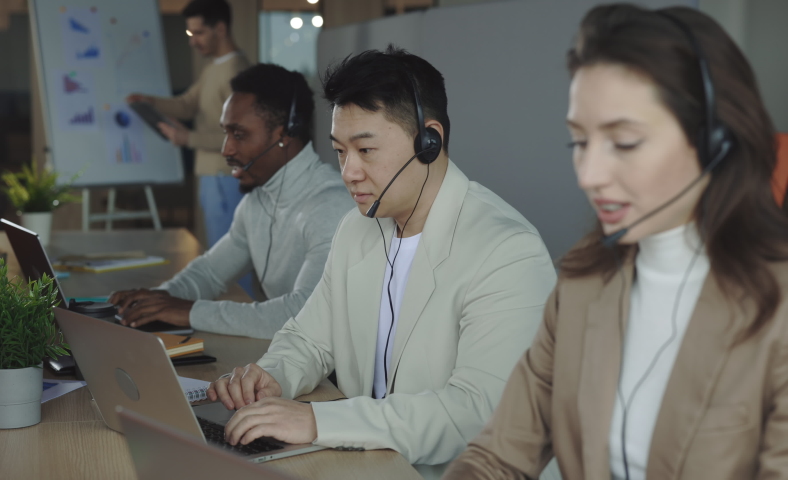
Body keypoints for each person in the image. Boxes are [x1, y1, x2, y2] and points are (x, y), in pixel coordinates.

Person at [443, 5, 788, 480]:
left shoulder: (776, 308)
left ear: (714, 142)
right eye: (579, 142)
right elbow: (496, 457)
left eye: (624, 142)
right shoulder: (583, 285)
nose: (589, 175)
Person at [204, 45, 557, 476]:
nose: (348, 172)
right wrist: (272, 376)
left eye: (365, 150)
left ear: (429, 141)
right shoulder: (358, 228)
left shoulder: (507, 251)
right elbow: (310, 339)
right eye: (339, 151)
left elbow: (475, 413)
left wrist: (317, 421)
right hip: (365, 463)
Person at [109, 64, 354, 339]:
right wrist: (158, 300)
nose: (226, 149)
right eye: (225, 133)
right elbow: (210, 273)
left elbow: (304, 313)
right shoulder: (256, 202)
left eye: (238, 134)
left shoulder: (331, 207)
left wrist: (189, 311)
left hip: (335, 377)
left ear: (285, 134)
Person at [127, 0, 249, 248]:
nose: (193, 41)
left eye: (199, 33)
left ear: (221, 29)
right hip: (211, 175)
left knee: (228, 258)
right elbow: (187, 104)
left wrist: (188, 138)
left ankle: (239, 291)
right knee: (218, 253)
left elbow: (242, 136)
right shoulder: (214, 67)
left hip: (225, 175)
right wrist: (149, 101)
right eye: (190, 33)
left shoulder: (236, 71)